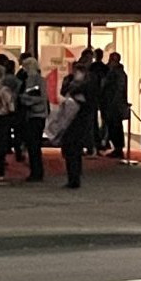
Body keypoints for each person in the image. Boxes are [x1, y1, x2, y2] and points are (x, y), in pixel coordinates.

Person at [58, 60, 95, 188]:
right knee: (74, 149)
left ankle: (74, 178)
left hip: (76, 121)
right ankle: (75, 175)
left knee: (72, 149)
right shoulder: (73, 83)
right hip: (76, 120)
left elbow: (79, 98)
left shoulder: (86, 86)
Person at [17, 56, 50, 181]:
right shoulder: (28, 80)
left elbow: (41, 97)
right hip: (32, 115)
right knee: (32, 145)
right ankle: (35, 170)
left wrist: (27, 100)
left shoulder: (38, 80)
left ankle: (36, 171)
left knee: (34, 145)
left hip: (36, 115)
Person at [100, 52, 129, 158]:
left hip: (115, 105)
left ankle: (118, 148)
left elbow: (119, 90)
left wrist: (115, 103)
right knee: (113, 127)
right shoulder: (112, 72)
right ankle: (117, 147)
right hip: (111, 104)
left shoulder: (118, 74)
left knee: (115, 127)